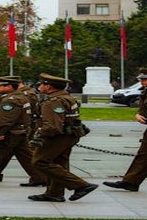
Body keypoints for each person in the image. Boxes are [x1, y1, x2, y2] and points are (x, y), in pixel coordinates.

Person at [28, 73, 98, 202]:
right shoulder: (66, 97)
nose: (39, 86)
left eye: (42, 84)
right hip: (69, 134)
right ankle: (54, 193)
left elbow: (52, 126)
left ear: (49, 87)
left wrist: (38, 136)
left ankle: (81, 185)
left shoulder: (53, 101)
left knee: (40, 162)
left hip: (57, 137)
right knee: (58, 164)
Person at [103, 68, 147, 193]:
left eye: (145, 78)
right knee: (144, 155)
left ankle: (131, 182)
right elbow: (145, 106)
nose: (142, 80)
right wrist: (139, 114)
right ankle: (131, 182)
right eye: (141, 78)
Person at [0, 75, 46, 186]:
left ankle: (41, 177)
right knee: (5, 152)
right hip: (14, 129)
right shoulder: (15, 95)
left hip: (19, 128)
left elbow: (23, 110)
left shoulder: (25, 94)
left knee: (20, 153)